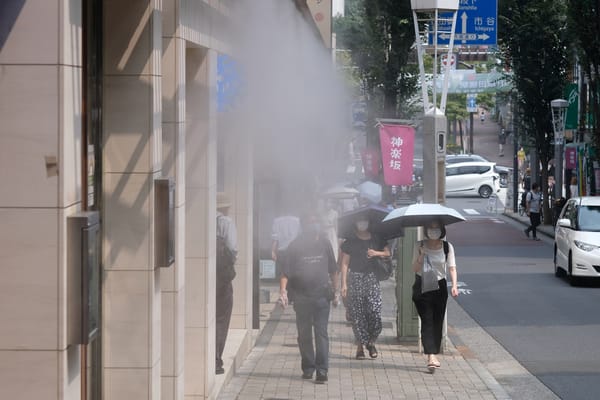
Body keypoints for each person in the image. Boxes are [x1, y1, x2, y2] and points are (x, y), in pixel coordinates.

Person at [279, 212, 337, 384]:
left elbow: (333, 269)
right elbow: (285, 273)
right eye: (310, 223)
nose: (313, 226)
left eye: (315, 222)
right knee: (304, 335)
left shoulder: (325, 243)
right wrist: (283, 292)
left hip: (321, 296)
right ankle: (308, 367)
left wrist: (336, 291)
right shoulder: (295, 246)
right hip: (301, 297)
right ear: (304, 227)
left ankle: (322, 370)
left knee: (321, 333)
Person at [411, 220, 458, 372]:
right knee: (427, 319)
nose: (433, 231)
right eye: (430, 228)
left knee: (437, 321)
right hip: (422, 286)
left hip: (440, 286)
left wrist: (455, 285)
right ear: (425, 230)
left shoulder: (447, 247)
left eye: (436, 228)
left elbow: (452, 267)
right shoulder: (419, 245)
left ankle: (433, 353)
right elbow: (414, 268)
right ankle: (430, 355)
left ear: (441, 230)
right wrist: (421, 255)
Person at [340, 218, 390, 360]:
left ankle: (370, 341)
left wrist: (376, 253)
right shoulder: (349, 241)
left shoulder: (377, 238)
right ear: (355, 222)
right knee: (358, 315)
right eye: (359, 220)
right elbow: (344, 263)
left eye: (364, 220)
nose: (362, 223)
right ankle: (360, 347)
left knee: (374, 312)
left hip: (372, 278)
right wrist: (343, 284)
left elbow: (388, 253)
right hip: (355, 278)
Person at [215, 192, 238, 375]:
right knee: (222, 317)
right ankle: (216, 359)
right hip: (221, 277)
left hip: (203, 274)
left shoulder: (203, 218)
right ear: (225, 207)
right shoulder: (226, 223)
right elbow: (232, 248)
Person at [271, 211, 301, 281]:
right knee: (295, 272)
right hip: (295, 250)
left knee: (283, 273)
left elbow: (275, 238)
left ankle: (283, 290)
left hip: (282, 250)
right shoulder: (298, 220)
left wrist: (273, 251)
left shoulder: (276, 221)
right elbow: (300, 236)